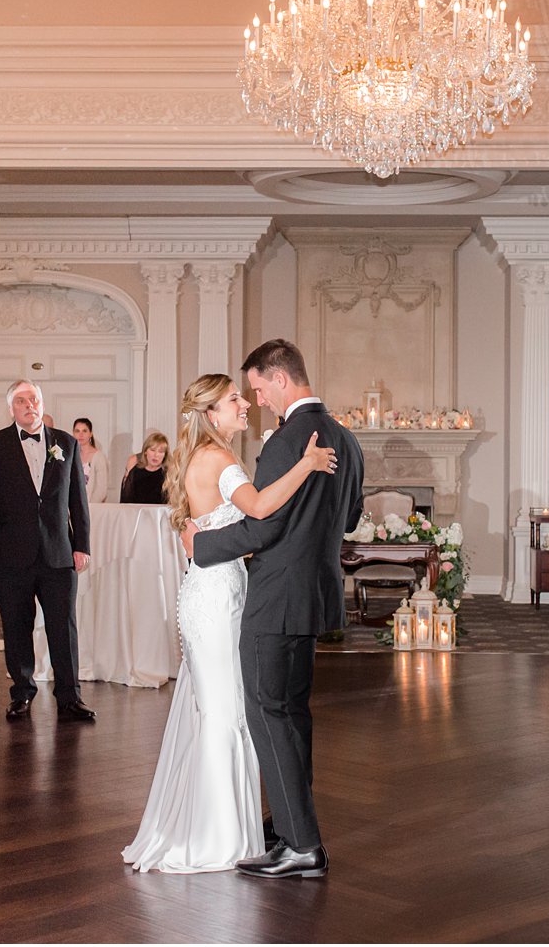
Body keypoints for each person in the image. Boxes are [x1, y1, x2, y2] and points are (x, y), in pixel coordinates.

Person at [123, 373, 337, 873]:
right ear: (211, 413)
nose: (246, 405)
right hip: (217, 597)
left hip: (213, 590)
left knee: (222, 711)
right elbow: (260, 510)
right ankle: (219, 839)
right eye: (234, 400)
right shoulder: (218, 459)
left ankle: (226, 828)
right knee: (224, 715)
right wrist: (306, 465)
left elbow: (208, 525)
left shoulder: (199, 456)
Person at [186, 339, 364, 879]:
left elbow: (265, 524)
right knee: (292, 711)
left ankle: (301, 844)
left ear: (280, 379)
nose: (257, 399)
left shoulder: (290, 440)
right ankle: (289, 822)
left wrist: (201, 547)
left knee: (268, 712)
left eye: (259, 387)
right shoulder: (347, 438)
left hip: (275, 597)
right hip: (314, 594)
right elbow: (351, 518)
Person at [0, 379, 95, 723]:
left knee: (63, 626)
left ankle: (70, 696)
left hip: (58, 553)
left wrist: (81, 545)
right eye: (22, 401)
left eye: (35, 399)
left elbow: (78, 501)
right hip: (11, 554)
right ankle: (22, 692)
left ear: (42, 404)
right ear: (11, 408)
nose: (30, 405)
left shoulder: (67, 443)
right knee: (16, 626)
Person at [121, 432, 169, 504]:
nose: (156, 455)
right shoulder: (135, 472)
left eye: (161, 452)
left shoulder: (168, 475)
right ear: (145, 451)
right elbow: (126, 500)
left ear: (165, 455)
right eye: (152, 450)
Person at [71, 417, 111, 503]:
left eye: (84, 431)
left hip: (91, 507)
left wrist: (88, 507)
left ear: (90, 434)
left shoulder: (98, 457)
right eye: (77, 431)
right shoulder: (70, 456)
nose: (80, 435)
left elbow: (101, 489)